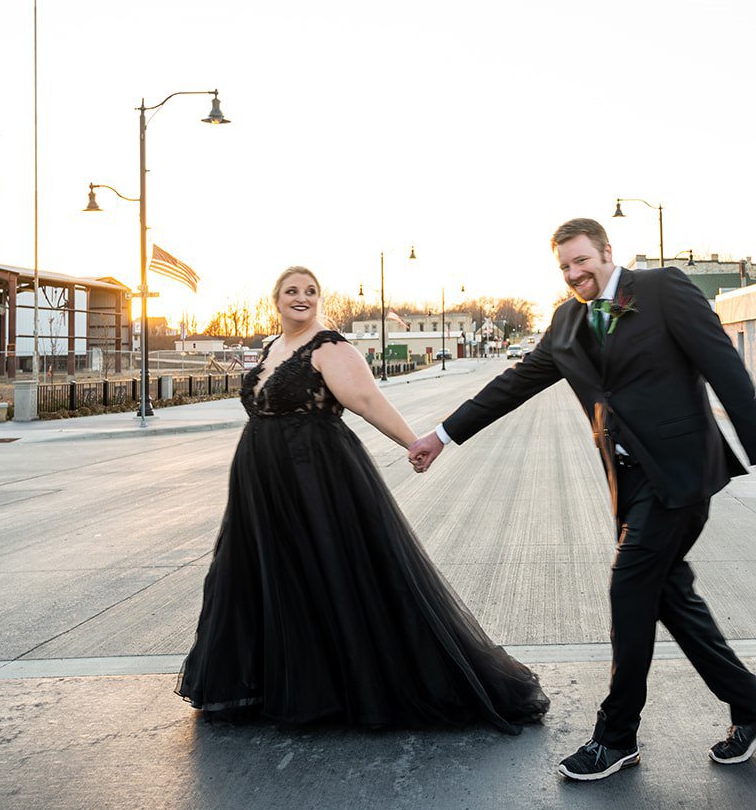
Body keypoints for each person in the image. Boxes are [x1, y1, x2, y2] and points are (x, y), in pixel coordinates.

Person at [408, 218, 756, 781]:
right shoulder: (566, 321)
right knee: (670, 597)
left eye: (581, 261)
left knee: (629, 590)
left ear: (607, 252)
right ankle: (755, 708)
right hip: (629, 482)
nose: (574, 274)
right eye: (564, 266)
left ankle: (615, 737)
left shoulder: (663, 290)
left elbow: (725, 370)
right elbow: (513, 384)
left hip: (681, 473)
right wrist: (442, 436)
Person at [177, 265, 548, 733]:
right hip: (260, 482)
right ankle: (268, 686)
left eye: (310, 291)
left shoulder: (329, 348)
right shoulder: (272, 347)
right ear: (276, 299)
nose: (301, 297)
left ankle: (346, 688)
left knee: (328, 572)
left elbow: (369, 402)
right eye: (292, 290)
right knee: (264, 575)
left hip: (315, 477)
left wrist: (414, 443)